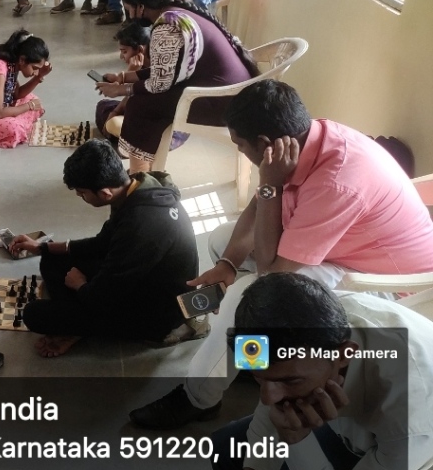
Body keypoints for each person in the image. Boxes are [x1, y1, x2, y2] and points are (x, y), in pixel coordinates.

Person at [130, 80, 433, 430]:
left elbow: (272, 275)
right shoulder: (305, 139)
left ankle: (198, 398)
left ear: (264, 144)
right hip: (343, 250)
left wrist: (270, 183)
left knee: (244, 297)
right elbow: (260, 204)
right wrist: (227, 263)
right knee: (223, 241)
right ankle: (255, 359)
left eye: (240, 145)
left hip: (385, 284)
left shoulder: (336, 181)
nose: (239, 149)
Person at [202, 273, 433, 470]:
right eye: (258, 378)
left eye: (289, 381)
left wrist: (297, 440)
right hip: (365, 436)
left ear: (343, 356)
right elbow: (273, 399)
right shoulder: (314, 325)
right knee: (229, 448)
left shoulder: (411, 403)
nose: (267, 398)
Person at [12, 139, 198, 357]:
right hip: (138, 278)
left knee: (34, 314)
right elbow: (102, 243)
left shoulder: (140, 225)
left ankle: (77, 329)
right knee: (52, 259)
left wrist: (80, 285)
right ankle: (77, 318)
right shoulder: (137, 188)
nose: (80, 197)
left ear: (105, 193)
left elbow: (103, 295)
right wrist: (43, 247)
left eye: (82, 193)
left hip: (156, 315)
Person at [94, 0, 258, 172]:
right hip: (234, 95)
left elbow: (159, 83)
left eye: (129, 8)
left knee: (140, 104)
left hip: (223, 102)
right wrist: (122, 78)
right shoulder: (177, 12)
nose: (129, 15)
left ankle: (140, 175)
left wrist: (120, 90)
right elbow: (168, 71)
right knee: (143, 98)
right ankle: (147, 167)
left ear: (140, 6)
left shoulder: (167, 27)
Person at [95, 19, 152, 141]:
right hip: (143, 115)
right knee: (104, 105)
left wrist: (115, 112)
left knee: (105, 110)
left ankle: (128, 139)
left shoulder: (157, 71)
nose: (121, 57)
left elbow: (135, 98)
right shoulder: (148, 65)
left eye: (124, 52)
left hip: (152, 123)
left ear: (140, 50)